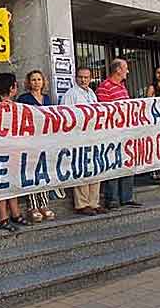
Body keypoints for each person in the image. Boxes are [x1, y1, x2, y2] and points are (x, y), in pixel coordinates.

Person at [96, 59, 143, 210]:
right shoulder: (105, 87)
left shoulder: (122, 87)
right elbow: (104, 110)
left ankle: (126, 197)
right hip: (112, 133)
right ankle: (112, 199)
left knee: (127, 162)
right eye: (126, 68)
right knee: (113, 164)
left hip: (125, 132)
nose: (127, 71)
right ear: (117, 70)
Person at [62, 68, 107, 216]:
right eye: (81, 77)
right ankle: (82, 204)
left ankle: (94, 202)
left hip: (93, 136)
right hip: (79, 137)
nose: (83, 80)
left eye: (86, 77)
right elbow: (65, 115)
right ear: (76, 78)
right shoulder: (71, 94)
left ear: (90, 78)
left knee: (95, 169)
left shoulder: (91, 94)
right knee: (82, 169)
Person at [0, 73, 32, 231]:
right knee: (2, 183)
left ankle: (15, 213)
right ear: (10, 87)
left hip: (12, 147)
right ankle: (2, 217)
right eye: (15, 85)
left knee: (12, 180)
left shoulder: (14, 103)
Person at [16, 70, 56, 223]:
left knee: (44, 172)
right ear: (28, 82)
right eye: (33, 79)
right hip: (29, 141)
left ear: (43, 82)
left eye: (39, 79)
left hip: (45, 141)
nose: (36, 82)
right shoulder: (23, 99)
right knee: (31, 172)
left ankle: (44, 204)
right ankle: (32, 206)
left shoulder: (48, 99)